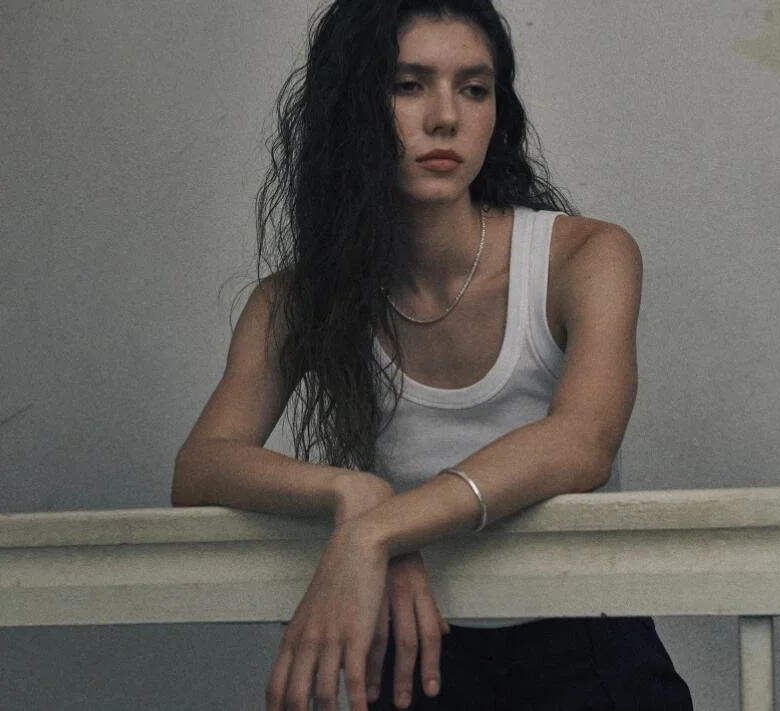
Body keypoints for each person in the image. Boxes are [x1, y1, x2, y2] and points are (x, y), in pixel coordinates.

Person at [172, 0, 694, 709]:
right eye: (407, 85)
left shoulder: (585, 256)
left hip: (588, 640)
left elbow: (582, 442)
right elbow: (202, 465)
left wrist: (380, 531)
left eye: (474, 89)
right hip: (420, 648)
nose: (445, 117)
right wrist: (354, 495)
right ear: (350, 106)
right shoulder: (294, 300)